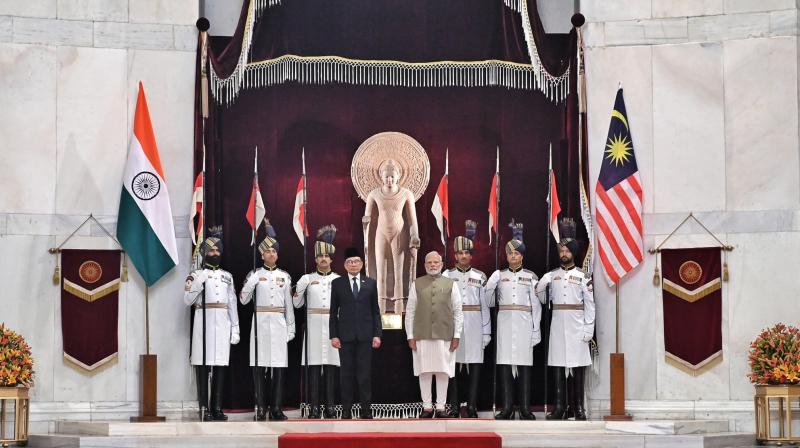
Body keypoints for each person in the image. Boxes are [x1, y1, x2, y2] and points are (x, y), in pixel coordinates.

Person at [536, 218, 595, 421]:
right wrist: (541, 285)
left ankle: (579, 408)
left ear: (573, 253)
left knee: (578, 367)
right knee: (558, 366)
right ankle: (560, 407)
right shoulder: (552, 275)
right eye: (561, 251)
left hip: (577, 324)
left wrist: (589, 328)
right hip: (558, 323)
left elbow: (590, 305)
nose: (563, 254)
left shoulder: (583, 276)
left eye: (567, 251)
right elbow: (542, 299)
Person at [486, 221, 542, 420]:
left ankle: (525, 408)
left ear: (522, 256)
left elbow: (536, 305)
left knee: (525, 366)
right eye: (510, 254)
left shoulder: (531, 277)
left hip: (525, 324)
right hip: (505, 324)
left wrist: (536, 331)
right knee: (504, 364)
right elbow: (489, 302)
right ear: (506, 256)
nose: (513, 256)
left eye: (516, 254)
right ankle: (508, 408)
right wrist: (491, 284)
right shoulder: (499, 276)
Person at [184, 229, 240, 421]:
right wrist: (199, 281)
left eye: (217, 250)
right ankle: (203, 408)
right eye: (211, 250)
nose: (214, 253)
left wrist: (235, 328)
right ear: (204, 253)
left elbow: (232, 303)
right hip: (203, 322)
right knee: (202, 364)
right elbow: (187, 300)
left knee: (220, 366)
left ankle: (216, 407)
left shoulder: (227, 276)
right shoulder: (196, 274)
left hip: (222, 322)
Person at [240, 224, 295, 421]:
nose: (271, 254)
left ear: (277, 255)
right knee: (259, 367)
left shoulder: (285, 277)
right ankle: (261, 407)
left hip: (279, 323)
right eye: (267, 251)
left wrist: (291, 328)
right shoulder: (254, 275)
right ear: (262, 255)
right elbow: (243, 300)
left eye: (274, 251)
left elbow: (289, 304)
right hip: (260, 324)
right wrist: (252, 281)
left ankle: (276, 408)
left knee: (279, 368)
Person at [406, 251, 464, 418]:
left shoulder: (451, 284)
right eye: (429, 262)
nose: (432, 265)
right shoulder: (416, 284)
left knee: (442, 371)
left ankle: (440, 407)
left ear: (441, 264)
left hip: (445, 335)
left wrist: (457, 335)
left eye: (435, 262)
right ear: (424, 265)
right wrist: (410, 335)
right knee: (424, 371)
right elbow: (410, 311)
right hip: (421, 335)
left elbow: (458, 311)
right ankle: (426, 407)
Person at [443, 220, 490, 418]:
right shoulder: (446, 275)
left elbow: (485, 305)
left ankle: (471, 405)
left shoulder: (480, 276)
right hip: (453, 324)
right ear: (455, 255)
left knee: (475, 366)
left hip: (475, 324)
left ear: (471, 256)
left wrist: (486, 330)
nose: (463, 256)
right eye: (460, 253)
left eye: (467, 253)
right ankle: (453, 406)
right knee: (451, 366)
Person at [293, 225, 341, 419]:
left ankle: (330, 407)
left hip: (332, 325)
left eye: (326, 257)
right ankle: (313, 408)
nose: (323, 259)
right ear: (315, 259)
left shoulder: (339, 279)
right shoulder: (307, 278)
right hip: (312, 325)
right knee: (313, 368)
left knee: (330, 368)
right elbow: (297, 304)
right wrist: (300, 287)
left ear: (331, 259)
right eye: (320, 257)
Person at [329, 247, 382, 419]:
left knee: (364, 375)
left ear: (362, 264)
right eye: (350, 262)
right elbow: (333, 312)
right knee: (346, 375)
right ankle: (346, 410)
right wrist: (334, 335)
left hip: (366, 336)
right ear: (345, 265)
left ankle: (366, 410)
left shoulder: (371, 283)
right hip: (345, 337)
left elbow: (375, 311)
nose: (353, 264)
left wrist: (377, 334)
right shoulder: (337, 283)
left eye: (356, 261)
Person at [362, 159, 420, 313]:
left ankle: (399, 309)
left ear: (398, 176)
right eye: (386, 177)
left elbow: (413, 220)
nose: (389, 180)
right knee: (380, 271)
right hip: (380, 234)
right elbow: (367, 218)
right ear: (381, 176)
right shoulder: (373, 194)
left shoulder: (407, 194)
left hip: (399, 233)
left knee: (399, 272)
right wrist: (366, 231)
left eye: (392, 177)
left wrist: (415, 235)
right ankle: (379, 309)